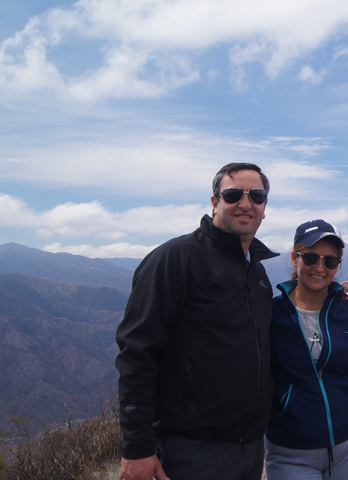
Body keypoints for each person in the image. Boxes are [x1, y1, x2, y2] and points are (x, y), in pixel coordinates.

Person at [115, 163, 278, 480]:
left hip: (250, 450)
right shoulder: (175, 258)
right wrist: (137, 447)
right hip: (191, 452)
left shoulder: (256, 273)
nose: (246, 204)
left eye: (256, 196)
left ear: (264, 207)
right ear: (215, 202)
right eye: (233, 194)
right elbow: (136, 353)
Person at [265, 219, 348, 480]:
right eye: (310, 258)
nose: (320, 268)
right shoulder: (269, 315)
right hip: (290, 450)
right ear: (294, 257)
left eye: (330, 262)